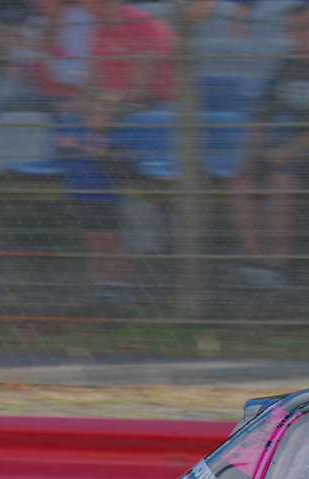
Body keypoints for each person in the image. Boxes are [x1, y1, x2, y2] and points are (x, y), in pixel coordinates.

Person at [227, 2, 309, 288]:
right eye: (293, 30)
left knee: (281, 180)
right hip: (288, 151)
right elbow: (262, 116)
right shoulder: (287, 65)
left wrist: (288, 150)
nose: (299, 36)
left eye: (305, 28)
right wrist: (250, 157)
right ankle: (255, 261)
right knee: (241, 181)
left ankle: (277, 264)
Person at [56, 0, 175, 303]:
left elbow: (145, 87)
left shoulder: (144, 25)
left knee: (97, 182)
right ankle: (105, 285)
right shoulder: (98, 27)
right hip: (105, 114)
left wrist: (106, 101)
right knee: (79, 166)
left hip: (144, 112)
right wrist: (81, 101)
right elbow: (92, 80)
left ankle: (116, 285)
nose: (89, 10)